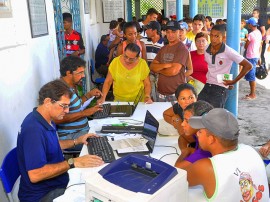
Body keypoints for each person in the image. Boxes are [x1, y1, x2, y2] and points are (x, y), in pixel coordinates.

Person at [17, 79, 104, 202]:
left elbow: (51, 145)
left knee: (96, 182)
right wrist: (72, 162)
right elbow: (35, 175)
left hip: (57, 181)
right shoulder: (33, 130)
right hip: (42, 195)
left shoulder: (46, 117)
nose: (67, 111)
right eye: (64, 106)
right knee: (95, 195)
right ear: (47, 102)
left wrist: (76, 141)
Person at [184, 108, 269, 201]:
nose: (197, 134)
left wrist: (185, 152)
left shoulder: (206, 167)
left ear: (211, 139)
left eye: (200, 131)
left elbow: (181, 179)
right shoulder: (251, 150)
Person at [54, 56, 103, 150]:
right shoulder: (60, 90)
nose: (83, 75)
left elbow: (76, 104)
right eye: (80, 73)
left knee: (107, 130)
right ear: (69, 73)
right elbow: (57, 119)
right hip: (70, 137)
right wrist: (84, 113)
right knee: (103, 140)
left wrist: (89, 95)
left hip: (82, 130)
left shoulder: (71, 86)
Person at [198, 24, 252, 108]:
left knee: (215, 115)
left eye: (216, 36)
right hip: (208, 84)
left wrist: (234, 81)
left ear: (223, 38)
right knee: (199, 110)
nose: (213, 38)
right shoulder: (206, 48)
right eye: (211, 35)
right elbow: (213, 67)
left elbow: (248, 66)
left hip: (220, 88)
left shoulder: (228, 51)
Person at [150, 20, 193, 102]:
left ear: (179, 32)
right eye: (168, 32)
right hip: (160, 93)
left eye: (173, 32)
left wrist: (159, 70)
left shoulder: (182, 49)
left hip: (176, 94)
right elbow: (152, 66)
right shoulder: (163, 48)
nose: (170, 35)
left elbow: (173, 71)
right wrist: (166, 65)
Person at [175, 100, 213, 169]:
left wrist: (186, 152)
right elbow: (182, 138)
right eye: (184, 120)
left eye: (187, 121)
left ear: (200, 123)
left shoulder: (204, 151)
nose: (182, 124)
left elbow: (178, 167)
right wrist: (185, 149)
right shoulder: (199, 133)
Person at [163, 83, 197, 151]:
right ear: (178, 101)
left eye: (191, 97)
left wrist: (178, 123)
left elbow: (187, 136)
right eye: (183, 98)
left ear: (196, 98)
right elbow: (165, 114)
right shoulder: (178, 107)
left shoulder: (201, 111)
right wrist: (175, 120)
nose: (187, 102)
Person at [141, 21, 164, 101]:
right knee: (150, 93)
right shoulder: (143, 42)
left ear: (154, 31)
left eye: (148, 29)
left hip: (160, 73)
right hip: (147, 73)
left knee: (160, 94)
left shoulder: (164, 43)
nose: (146, 31)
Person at [243, 17, 262, 100]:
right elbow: (260, 45)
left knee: (251, 75)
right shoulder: (259, 33)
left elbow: (246, 46)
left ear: (250, 24)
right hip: (255, 55)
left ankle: (253, 94)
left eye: (248, 23)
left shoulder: (251, 34)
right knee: (251, 74)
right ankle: (251, 93)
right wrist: (259, 56)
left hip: (250, 56)